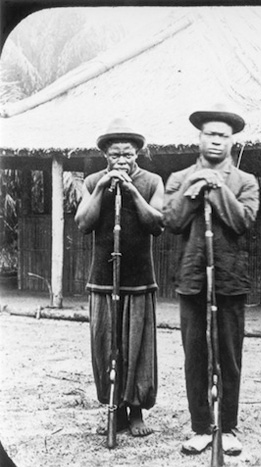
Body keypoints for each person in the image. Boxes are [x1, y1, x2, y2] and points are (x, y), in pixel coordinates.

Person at [162, 103, 259, 456]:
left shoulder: (245, 181)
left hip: (230, 278)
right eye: (210, 134)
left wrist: (217, 188)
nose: (217, 141)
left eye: (224, 135)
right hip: (191, 278)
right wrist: (194, 184)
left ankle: (229, 427)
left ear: (232, 141)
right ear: (199, 138)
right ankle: (201, 427)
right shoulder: (177, 177)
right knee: (195, 355)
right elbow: (171, 221)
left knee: (229, 356)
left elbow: (242, 223)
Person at [75, 117, 164, 438]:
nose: (122, 160)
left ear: (138, 153)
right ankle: (114, 409)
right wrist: (101, 187)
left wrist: (131, 192)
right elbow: (84, 223)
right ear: (105, 156)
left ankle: (137, 411)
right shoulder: (92, 181)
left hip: (139, 279)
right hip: (102, 279)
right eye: (115, 155)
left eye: (128, 154)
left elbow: (157, 222)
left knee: (137, 346)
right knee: (105, 345)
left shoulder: (152, 181)